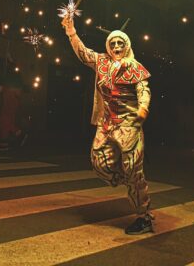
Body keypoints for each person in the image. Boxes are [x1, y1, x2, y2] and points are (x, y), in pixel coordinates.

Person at [61, 14, 153, 235]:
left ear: (127, 45)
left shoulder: (135, 66)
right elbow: (83, 53)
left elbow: (144, 90)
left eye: (121, 43)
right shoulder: (101, 62)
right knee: (99, 163)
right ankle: (128, 179)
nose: (117, 46)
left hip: (129, 125)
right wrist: (71, 31)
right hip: (107, 124)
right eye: (113, 43)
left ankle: (144, 215)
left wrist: (142, 109)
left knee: (133, 168)